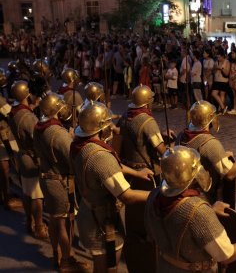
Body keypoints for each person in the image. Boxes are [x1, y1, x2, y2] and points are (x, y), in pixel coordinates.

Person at [145, 145, 236, 273]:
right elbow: (226, 255)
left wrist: (209, 212)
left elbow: (171, 223)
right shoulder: (198, 212)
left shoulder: (154, 196)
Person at [70, 102, 153, 272]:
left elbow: (111, 167)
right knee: (107, 268)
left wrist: (136, 173)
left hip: (89, 211)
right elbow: (127, 196)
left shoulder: (80, 144)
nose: (112, 128)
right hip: (101, 220)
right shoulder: (100, 156)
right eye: (108, 124)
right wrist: (156, 194)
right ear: (100, 128)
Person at [33, 93, 89, 271]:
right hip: (59, 182)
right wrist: (72, 139)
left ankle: (58, 255)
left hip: (47, 179)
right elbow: (72, 159)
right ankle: (66, 260)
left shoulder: (39, 126)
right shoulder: (57, 132)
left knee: (55, 221)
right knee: (64, 223)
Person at [117, 85, 169, 273]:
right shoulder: (147, 120)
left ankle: (135, 246)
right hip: (146, 173)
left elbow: (134, 139)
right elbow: (160, 150)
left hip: (130, 169)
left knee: (133, 215)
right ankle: (147, 253)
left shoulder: (126, 116)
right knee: (148, 216)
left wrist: (161, 135)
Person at [176, 100, 236, 206]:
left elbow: (197, 159)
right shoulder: (210, 144)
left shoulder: (181, 136)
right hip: (202, 198)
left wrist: (220, 156)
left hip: (183, 192)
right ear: (210, 119)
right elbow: (230, 174)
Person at [9, 80, 48, 239]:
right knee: (36, 195)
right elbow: (37, 138)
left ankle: (29, 221)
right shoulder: (27, 117)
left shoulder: (15, 111)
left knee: (26, 192)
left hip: (22, 155)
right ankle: (38, 226)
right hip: (31, 157)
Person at [211, 48, 230, 113]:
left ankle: (220, 109)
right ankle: (223, 107)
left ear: (222, 56)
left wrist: (221, 68)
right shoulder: (216, 62)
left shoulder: (226, 62)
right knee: (214, 93)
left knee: (222, 94)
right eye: (217, 57)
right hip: (216, 80)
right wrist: (215, 68)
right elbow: (213, 71)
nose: (218, 58)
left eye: (219, 57)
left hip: (223, 80)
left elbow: (227, 73)